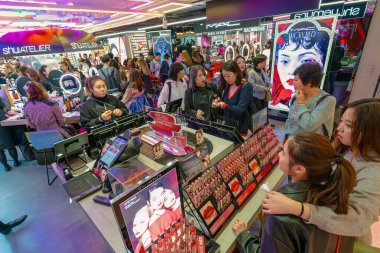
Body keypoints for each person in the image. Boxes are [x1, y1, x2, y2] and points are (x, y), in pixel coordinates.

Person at [261, 98, 380, 246]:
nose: (339, 128)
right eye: (341, 121)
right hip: (318, 230)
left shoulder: (374, 171)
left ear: (370, 131)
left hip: (340, 240)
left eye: (348, 125)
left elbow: (358, 220)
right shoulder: (346, 149)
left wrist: (297, 208)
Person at [233, 131, 356, 253]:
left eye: (284, 153)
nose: (279, 153)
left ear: (299, 169)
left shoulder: (277, 211)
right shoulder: (339, 192)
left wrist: (244, 236)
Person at [271, 21, 330, 109]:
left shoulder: (324, 101)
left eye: (306, 61)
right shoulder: (285, 100)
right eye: (284, 61)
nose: (291, 71)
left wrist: (301, 103)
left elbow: (309, 122)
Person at [285, 62, 336, 140]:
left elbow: (309, 125)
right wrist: (286, 139)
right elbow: (290, 122)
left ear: (309, 82)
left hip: (311, 147)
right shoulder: (296, 97)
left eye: (296, 79)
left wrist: (301, 103)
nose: (293, 82)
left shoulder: (328, 100)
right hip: (293, 143)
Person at [212, 61, 253, 135]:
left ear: (236, 73)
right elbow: (226, 103)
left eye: (228, 76)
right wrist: (218, 102)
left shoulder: (246, 87)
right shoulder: (228, 85)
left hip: (239, 128)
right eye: (224, 76)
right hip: (226, 126)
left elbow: (240, 110)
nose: (226, 79)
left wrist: (223, 105)